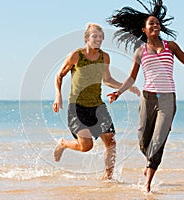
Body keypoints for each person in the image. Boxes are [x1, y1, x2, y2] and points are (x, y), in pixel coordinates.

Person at [107, 0, 184, 191]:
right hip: (147, 98)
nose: (155, 25)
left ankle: (148, 182)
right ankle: (149, 163)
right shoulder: (140, 51)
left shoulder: (172, 46)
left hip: (168, 98)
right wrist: (119, 92)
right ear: (143, 29)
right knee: (143, 141)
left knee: (159, 139)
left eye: (157, 23)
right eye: (151, 23)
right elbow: (131, 78)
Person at [52, 23, 140, 180]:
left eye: (101, 37)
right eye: (94, 36)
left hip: (97, 106)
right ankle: (64, 143)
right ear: (86, 38)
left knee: (111, 141)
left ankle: (108, 178)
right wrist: (58, 95)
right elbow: (59, 76)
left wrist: (126, 87)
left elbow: (107, 79)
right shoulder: (76, 55)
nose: (98, 39)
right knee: (86, 146)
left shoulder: (105, 57)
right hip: (77, 108)